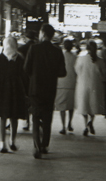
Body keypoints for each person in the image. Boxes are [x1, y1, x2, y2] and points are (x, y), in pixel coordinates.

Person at [22, 24, 66, 159]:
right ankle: (45, 145)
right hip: (50, 89)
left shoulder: (34, 48)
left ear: (42, 33)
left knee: (35, 117)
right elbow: (62, 72)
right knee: (47, 118)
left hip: (35, 89)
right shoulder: (57, 51)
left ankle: (36, 146)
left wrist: (34, 76)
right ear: (52, 35)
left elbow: (26, 68)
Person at [0, 36, 28, 153]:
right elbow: (24, 76)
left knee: (3, 117)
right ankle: (12, 141)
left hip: (1, 89)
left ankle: (2, 143)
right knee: (14, 117)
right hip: (16, 90)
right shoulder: (20, 59)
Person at [74, 39, 106, 136]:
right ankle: (91, 121)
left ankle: (85, 126)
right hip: (95, 85)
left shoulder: (80, 58)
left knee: (84, 106)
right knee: (93, 106)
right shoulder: (100, 60)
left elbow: (76, 70)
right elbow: (103, 73)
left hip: (82, 85)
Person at [18, 29, 38, 131]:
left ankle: (26, 121)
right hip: (36, 77)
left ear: (26, 38)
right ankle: (36, 121)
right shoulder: (38, 48)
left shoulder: (21, 49)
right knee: (34, 99)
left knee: (25, 98)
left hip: (24, 77)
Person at [56, 38, 77, 134]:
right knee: (71, 106)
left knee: (62, 106)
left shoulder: (60, 55)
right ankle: (70, 123)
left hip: (61, 83)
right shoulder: (75, 56)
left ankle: (63, 126)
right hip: (72, 83)